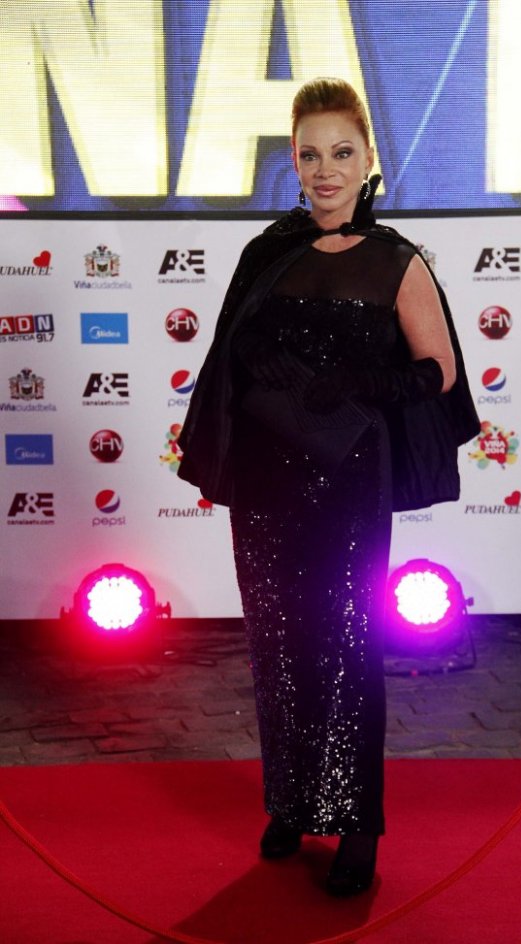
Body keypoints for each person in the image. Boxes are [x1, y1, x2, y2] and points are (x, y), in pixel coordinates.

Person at [178, 77, 480, 896]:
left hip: (349, 480)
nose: (325, 171)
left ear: (368, 158)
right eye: (310, 155)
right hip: (268, 481)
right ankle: (290, 804)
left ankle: (355, 826)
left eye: (341, 153)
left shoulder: (397, 262)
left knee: (346, 646)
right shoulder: (266, 253)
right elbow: (227, 358)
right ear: (295, 161)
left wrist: (366, 381)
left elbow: (441, 371)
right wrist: (253, 359)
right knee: (279, 646)